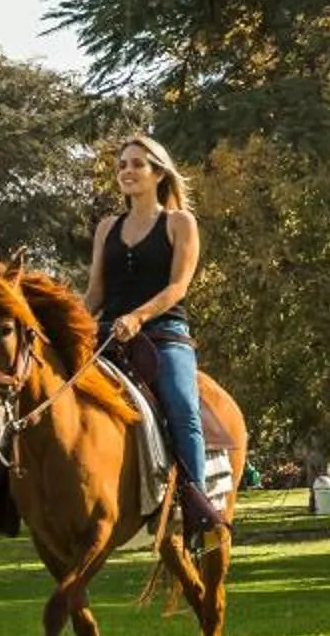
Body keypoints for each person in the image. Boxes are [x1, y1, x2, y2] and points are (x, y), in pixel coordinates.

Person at [87, 133, 226, 539]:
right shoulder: (106, 227)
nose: (127, 171)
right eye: (122, 165)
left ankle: (193, 504)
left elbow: (178, 287)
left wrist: (139, 316)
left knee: (183, 408)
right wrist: (68, 324)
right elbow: (95, 291)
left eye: (136, 164)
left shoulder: (179, 223)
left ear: (158, 173)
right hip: (108, 336)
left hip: (164, 335)